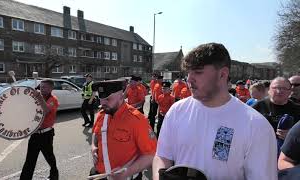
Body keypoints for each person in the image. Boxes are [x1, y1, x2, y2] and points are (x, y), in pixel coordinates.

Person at [152, 43, 277, 180]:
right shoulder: (177, 110)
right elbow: (162, 155)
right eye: (188, 73)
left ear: (222, 74)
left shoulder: (256, 125)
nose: (189, 79)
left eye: (198, 72)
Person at [89, 80, 157, 180]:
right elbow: (96, 132)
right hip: (99, 174)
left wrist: (126, 172)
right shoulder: (102, 114)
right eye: (101, 99)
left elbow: (151, 155)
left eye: (107, 99)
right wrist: (93, 146)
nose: (102, 103)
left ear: (121, 96)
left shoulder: (137, 120)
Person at [20, 79, 59, 180]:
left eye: (44, 87)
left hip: (46, 134)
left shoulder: (53, 99)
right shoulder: (37, 97)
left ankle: (54, 176)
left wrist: (39, 97)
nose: (41, 89)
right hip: (35, 134)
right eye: (40, 87)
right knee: (30, 160)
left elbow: (45, 111)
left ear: (51, 88)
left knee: (50, 158)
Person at [253, 77, 300, 155]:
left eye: (284, 88)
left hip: (287, 155)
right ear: (269, 90)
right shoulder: (256, 107)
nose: (279, 91)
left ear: (290, 91)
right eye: (275, 88)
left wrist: (292, 136)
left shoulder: (297, 109)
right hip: (260, 152)